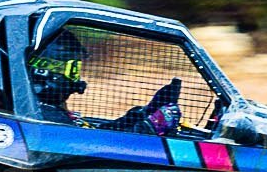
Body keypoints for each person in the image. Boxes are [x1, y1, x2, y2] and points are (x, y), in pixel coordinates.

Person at [26, 31, 182, 133]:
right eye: (74, 69)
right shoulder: (46, 119)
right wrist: (147, 128)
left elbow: (97, 133)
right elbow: (94, 149)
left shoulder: (50, 113)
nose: (78, 80)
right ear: (45, 71)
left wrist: (138, 116)